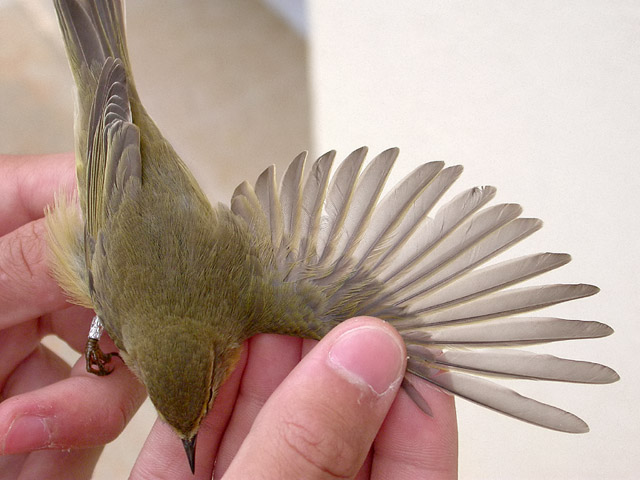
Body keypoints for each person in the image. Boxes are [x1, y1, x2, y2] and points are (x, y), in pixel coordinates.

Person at [0, 153, 458, 479]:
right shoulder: (235, 302)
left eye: (208, 398)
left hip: (119, 179)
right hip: (119, 177)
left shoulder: (245, 298)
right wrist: (101, 320)